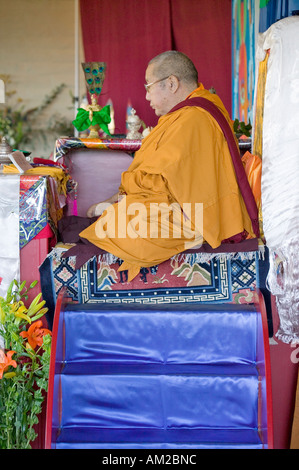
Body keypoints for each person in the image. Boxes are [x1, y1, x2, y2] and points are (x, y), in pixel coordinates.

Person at [80, 51, 258, 281]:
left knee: (126, 226)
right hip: (194, 206)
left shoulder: (193, 118)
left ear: (172, 83)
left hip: (195, 217)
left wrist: (123, 198)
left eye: (148, 86)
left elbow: (161, 185)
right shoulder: (197, 111)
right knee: (124, 217)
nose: (146, 97)